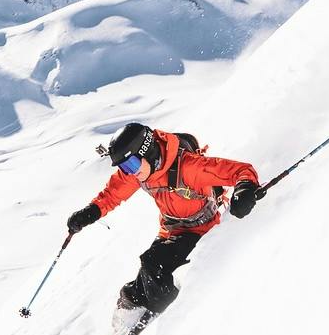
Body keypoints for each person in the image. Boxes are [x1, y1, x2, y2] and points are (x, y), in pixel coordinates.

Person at [64, 122, 263, 317]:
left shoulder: (189, 167)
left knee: (153, 263)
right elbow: (112, 194)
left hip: (201, 229)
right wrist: (90, 212)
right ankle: (132, 302)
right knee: (146, 274)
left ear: (148, 151)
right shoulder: (139, 171)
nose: (130, 172)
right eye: (125, 167)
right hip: (171, 230)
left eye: (131, 164)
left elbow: (240, 171)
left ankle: (168, 314)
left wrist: (245, 189)